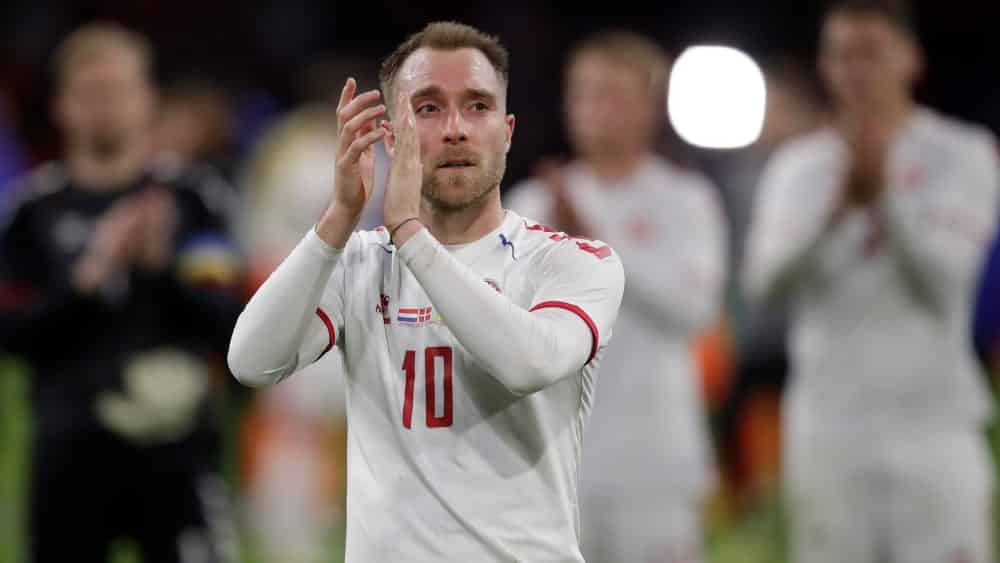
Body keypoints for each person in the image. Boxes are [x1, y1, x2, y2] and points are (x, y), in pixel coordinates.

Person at [228, 21, 625, 561]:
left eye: (478, 106)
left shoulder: (571, 262)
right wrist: (338, 218)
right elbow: (251, 361)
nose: (456, 128)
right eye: (430, 108)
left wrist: (411, 236)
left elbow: (527, 364)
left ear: (507, 131)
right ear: (391, 138)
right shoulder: (359, 262)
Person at [742, 2, 999, 562]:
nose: (855, 70)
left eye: (871, 53)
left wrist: (885, 201)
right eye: (841, 55)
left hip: (934, 424)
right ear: (825, 65)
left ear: (911, 59)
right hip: (830, 428)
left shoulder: (963, 154)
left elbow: (948, 281)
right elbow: (762, 286)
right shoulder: (798, 167)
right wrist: (833, 212)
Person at [0, 23, 242, 562]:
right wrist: (87, 278)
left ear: (147, 99)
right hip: (69, 454)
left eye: (118, 91)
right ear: (62, 106)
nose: (104, 107)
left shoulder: (193, 199)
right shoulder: (32, 210)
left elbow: (231, 323)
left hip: (177, 453)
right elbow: (12, 335)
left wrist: (160, 270)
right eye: (90, 93)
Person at [507, 30, 726, 562]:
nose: (594, 109)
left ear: (650, 107)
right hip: (552, 458)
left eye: (612, 95)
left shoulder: (685, 200)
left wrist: (596, 244)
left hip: (653, 461)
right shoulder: (531, 203)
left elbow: (695, 310)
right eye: (583, 94)